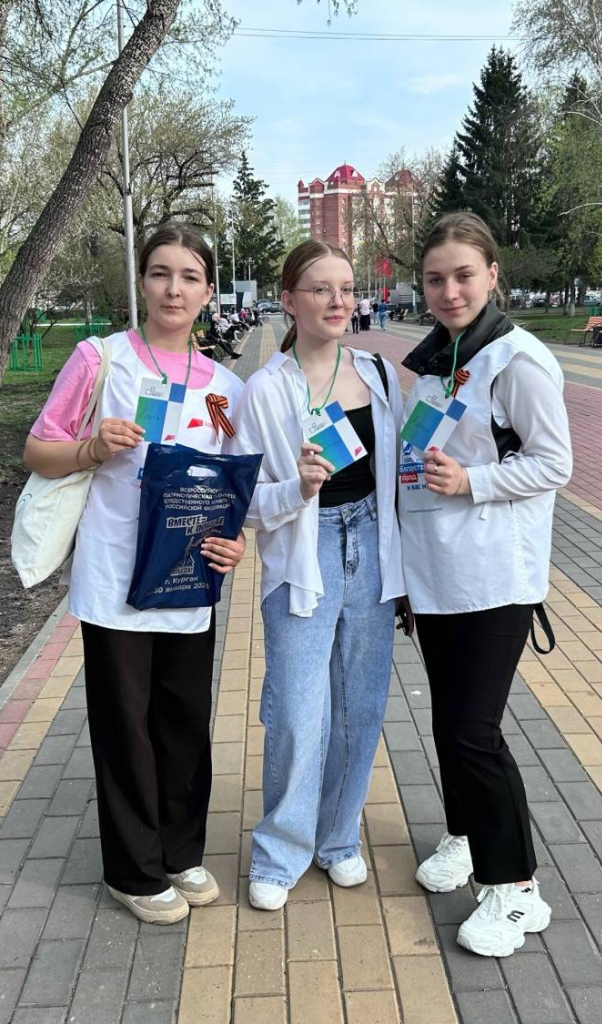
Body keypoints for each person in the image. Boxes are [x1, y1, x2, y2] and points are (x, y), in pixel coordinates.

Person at [22, 225, 247, 925]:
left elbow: (231, 484)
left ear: (208, 292)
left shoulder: (225, 388)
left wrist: (236, 540)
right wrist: (91, 448)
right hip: (114, 573)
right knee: (125, 724)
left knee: (183, 721)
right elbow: (38, 450)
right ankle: (133, 870)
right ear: (142, 282)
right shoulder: (101, 359)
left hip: (186, 576)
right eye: (160, 273)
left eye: (189, 276)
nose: (173, 289)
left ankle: (180, 852)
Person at [397, 211, 572, 958]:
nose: (449, 290)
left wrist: (475, 481)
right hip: (437, 574)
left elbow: (554, 462)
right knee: (449, 724)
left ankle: (517, 888)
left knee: (474, 732)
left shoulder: (517, 360)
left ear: (492, 275)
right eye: (435, 278)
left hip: (494, 578)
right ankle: (467, 837)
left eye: (463, 275)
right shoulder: (438, 359)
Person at [234, 240, 406, 911]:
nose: (338, 301)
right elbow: (243, 503)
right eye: (319, 289)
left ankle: (337, 838)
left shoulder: (378, 374)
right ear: (288, 301)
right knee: (297, 711)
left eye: (346, 288)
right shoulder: (266, 390)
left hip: (372, 546)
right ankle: (279, 853)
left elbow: (399, 475)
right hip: (304, 558)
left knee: (359, 707)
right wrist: (297, 489)